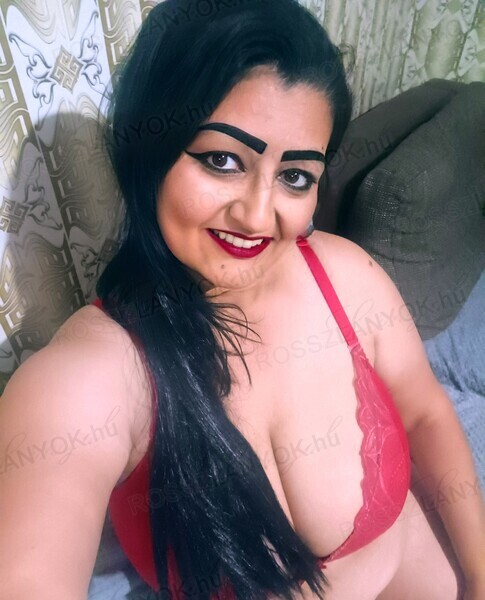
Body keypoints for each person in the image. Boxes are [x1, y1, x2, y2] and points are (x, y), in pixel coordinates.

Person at [1, 0, 484, 598]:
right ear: (149, 153)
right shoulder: (95, 373)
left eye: (295, 176)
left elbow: (425, 411)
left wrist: (479, 573)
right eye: (222, 160)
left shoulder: (345, 273)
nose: (258, 215)